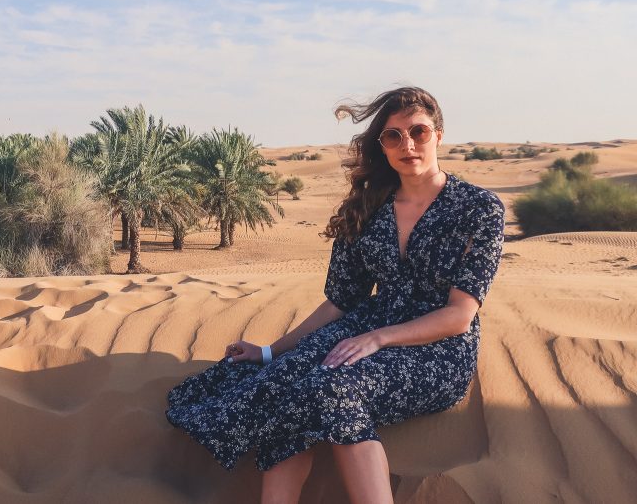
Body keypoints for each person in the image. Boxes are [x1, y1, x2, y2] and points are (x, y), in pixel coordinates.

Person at [164, 87, 505, 504]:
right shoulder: (367, 206)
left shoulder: (478, 208)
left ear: (439, 134)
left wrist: (378, 338)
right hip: (365, 328)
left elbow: (459, 316)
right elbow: (340, 301)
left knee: (332, 386)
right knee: (280, 381)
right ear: (382, 147)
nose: (408, 144)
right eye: (393, 136)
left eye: (418, 131)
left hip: (438, 348)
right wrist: (271, 352)